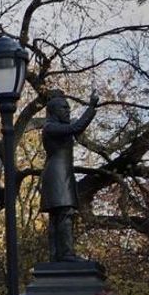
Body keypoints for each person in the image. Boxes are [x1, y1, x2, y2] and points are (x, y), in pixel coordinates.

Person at [40, 89, 97, 262]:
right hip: (57, 174)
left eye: (68, 108)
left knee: (61, 215)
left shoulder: (56, 127)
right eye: (64, 108)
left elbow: (76, 128)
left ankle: (58, 255)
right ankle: (65, 255)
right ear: (54, 111)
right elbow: (76, 127)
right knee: (64, 213)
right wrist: (91, 107)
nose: (67, 111)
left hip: (61, 173)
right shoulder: (50, 127)